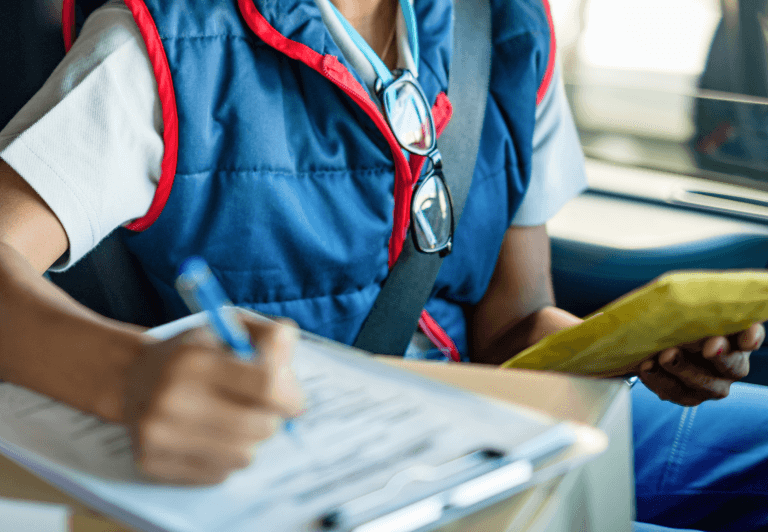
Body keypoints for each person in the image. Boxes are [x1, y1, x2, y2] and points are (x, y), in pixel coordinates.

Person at [0, 0, 765, 530]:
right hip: (306, 463)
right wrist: (123, 376)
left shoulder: (502, 30)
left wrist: (626, 347)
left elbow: (514, 321)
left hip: (487, 413)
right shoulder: (159, 47)